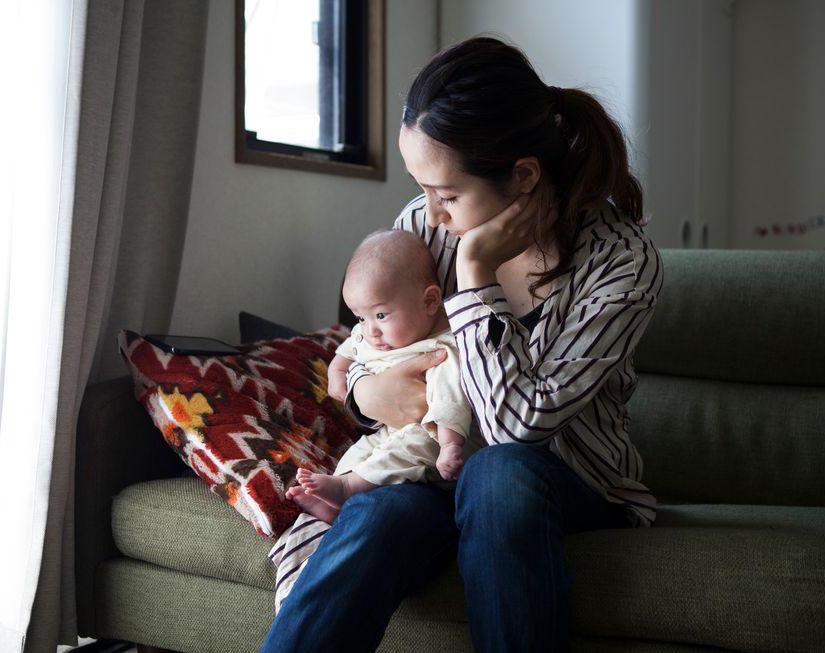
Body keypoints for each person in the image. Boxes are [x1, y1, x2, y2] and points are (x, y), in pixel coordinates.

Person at [261, 35, 663, 652]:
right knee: (372, 513)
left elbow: (518, 429)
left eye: (446, 195)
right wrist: (369, 393)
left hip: (571, 479)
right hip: (434, 468)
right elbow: (368, 348)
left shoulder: (619, 263)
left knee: (498, 473)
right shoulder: (424, 225)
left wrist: (475, 274)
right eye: (421, 189)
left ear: (524, 175)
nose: (430, 214)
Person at [285, 229, 474, 524]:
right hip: (389, 430)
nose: (370, 330)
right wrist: (337, 370)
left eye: (381, 315)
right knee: (364, 448)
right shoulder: (375, 333)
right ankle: (337, 493)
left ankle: (349, 488)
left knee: (409, 444)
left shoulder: (442, 349)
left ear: (430, 301)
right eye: (360, 317)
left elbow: (450, 400)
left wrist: (450, 445)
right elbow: (354, 343)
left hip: (432, 436)